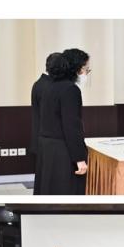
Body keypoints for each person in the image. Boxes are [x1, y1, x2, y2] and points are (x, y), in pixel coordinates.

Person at [35, 48, 89, 195]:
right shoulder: (70, 89)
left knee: (48, 190)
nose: (86, 73)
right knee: (66, 193)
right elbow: (71, 127)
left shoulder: (49, 86)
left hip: (48, 148)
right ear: (76, 69)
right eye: (86, 69)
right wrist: (79, 158)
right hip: (63, 152)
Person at [31, 53, 61, 188]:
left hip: (41, 136)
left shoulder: (38, 84)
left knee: (44, 177)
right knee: (49, 179)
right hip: (48, 138)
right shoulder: (48, 86)